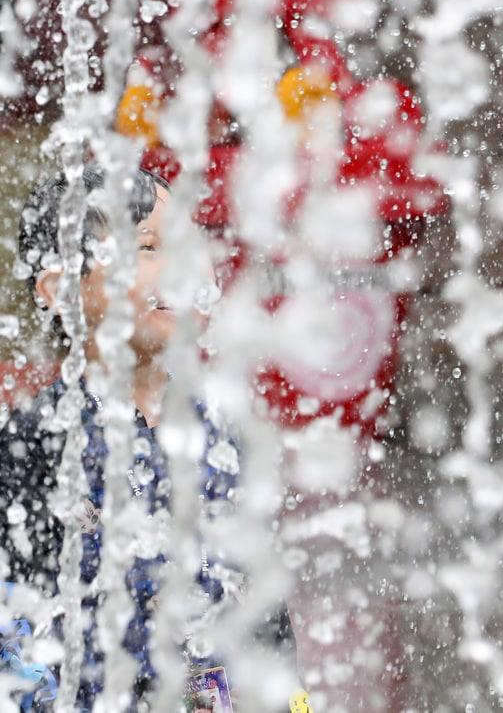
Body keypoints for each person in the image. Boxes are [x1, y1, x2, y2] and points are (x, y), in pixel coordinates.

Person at [0, 165, 292, 710]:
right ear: (60, 289)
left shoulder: (223, 433)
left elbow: (268, 626)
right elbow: (13, 642)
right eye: (150, 247)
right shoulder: (34, 445)